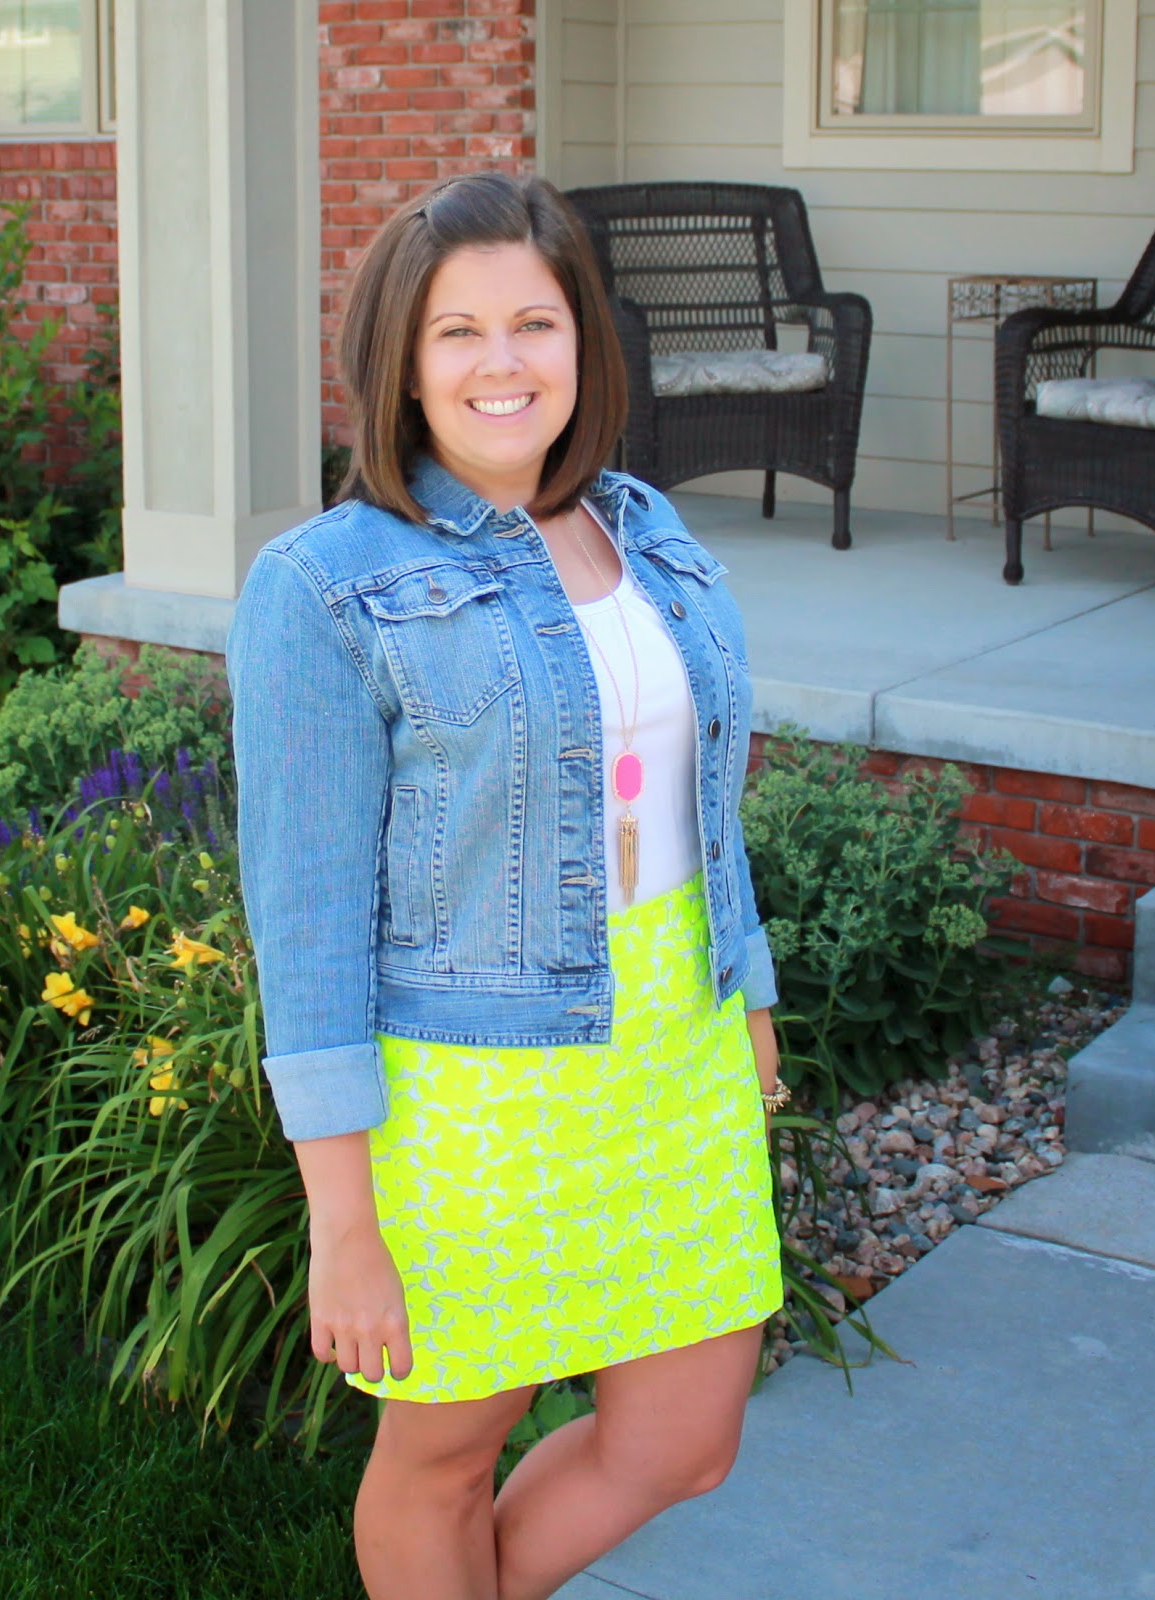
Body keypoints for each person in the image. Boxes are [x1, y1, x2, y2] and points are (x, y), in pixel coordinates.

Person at [224, 170, 789, 1600]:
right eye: (457, 331)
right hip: (472, 1081)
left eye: (534, 323)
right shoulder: (323, 585)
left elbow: (705, 799)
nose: (502, 363)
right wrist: (343, 1221)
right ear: (402, 364)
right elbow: (304, 920)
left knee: (683, 1440)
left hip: (676, 1046)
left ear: (583, 339)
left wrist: (749, 998)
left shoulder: (645, 528)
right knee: (448, 1452)